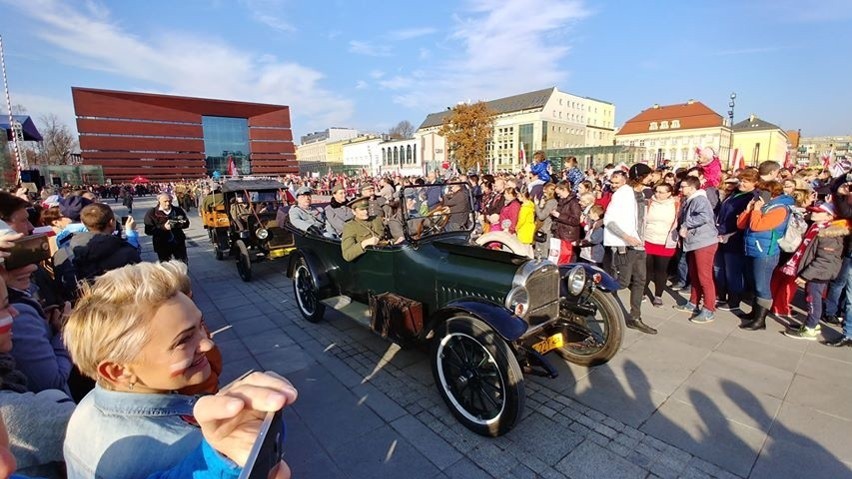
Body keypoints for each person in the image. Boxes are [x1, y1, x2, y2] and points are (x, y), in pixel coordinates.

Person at [62, 261, 298, 479]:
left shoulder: (90, 406)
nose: (207, 343)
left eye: (200, 326)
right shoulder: (181, 449)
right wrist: (250, 438)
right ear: (117, 371)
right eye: (183, 340)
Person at [0, 271, 75, 478]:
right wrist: (64, 335)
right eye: (4, 306)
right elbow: (54, 380)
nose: (14, 313)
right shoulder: (16, 409)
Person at [604, 164, 657, 335]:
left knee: (640, 280)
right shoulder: (622, 194)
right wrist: (626, 237)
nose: (652, 178)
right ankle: (598, 296)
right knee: (623, 282)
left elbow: (639, 220)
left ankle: (635, 317)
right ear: (640, 176)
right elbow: (609, 220)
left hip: (639, 245)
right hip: (625, 244)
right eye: (649, 175)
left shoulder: (641, 194)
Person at [782, 202, 848, 340]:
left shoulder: (829, 234)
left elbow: (824, 261)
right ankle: (811, 323)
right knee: (810, 297)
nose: (814, 213)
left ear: (829, 216)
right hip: (814, 271)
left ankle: (810, 329)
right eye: (814, 210)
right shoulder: (817, 228)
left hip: (818, 273)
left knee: (813, 299)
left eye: (818, 212)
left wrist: (806, 276)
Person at [737, 180, 795, 331]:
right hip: (752, 248)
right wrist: (749, 209)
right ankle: (754, 313)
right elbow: (741, 224)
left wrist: (756, 210)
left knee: (762, 285)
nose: (757, 194)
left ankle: (760, 320)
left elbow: (757, 226)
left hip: (766, 251)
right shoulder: (762, 205)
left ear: (771, 193)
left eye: (761, 192)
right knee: (755, 283)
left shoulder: (780, 208)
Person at [52, 203, 141, 297]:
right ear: (111, 222)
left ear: (82, 222)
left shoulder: (61, 253)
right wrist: (131, 233)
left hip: (81, 305)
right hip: (117, 303)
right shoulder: (125, 251)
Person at [673, 176, 719, 323]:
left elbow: (705, 216)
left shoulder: (700, 200)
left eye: (683, 186)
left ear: (692, 188)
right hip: (694, 242)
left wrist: (686, 224)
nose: (680, 189)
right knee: (694, 274)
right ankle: (693, 302)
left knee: (704, 277)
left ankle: (709, 309)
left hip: (704, 242)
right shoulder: (690, 200)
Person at [714, 169, 759, 311]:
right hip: (720, 236)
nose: (742, 183)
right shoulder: (734, 193)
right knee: (719, 269)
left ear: (755, 183)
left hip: (734, 239)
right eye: (741, 180)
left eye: (746, 181)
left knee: (733, 272)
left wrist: (726, 232)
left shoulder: (751, 198)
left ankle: (734, 301)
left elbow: (742, 221)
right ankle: (722, 295)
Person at [643, 182, 679, 307]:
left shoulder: (675, 204)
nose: (657, 194)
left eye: (661, 192)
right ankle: (642, 291)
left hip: (665, 242)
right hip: (648, 239)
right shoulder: (649, 202)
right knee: (646, 269)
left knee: (661, 270)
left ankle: (658, 295)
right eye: (656, 191)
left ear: (669, 193)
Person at [144, 193, 189, 263]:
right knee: (165, 267)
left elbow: (186, 223)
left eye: (170, 201)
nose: (168, 203)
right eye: (165, 201)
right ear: (159, 201)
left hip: (178, 243)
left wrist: (176, 223)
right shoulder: (152, 212)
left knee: (183, 264)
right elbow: (148, 230)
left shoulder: (177, 210)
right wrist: (163, 227)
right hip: (162, 244)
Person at [341, 196, 386, 262]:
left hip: (385, 255)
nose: (365, 212)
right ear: (354, 211)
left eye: (367, 209)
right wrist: (364, 244)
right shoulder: (350, 226)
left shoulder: (377, 219)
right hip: (369, 261)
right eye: (362, 210)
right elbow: (347, 255)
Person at [550, 182, 581, 265]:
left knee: (566, 259)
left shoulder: (574, 202)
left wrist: (559, 215)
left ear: (564, 190)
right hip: (560, 233)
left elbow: (576, 220)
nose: (558, 196)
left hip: (568, 235)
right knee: (558, 258)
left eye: (559, 193)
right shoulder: (563, 200)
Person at [534, 184, 558, 259]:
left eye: (545, 192)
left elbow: (541, 216)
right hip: (542, 230)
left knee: (541, 255)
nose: (544, 194)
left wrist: (536, 205)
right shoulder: (547, 201)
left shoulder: (551, 202)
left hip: (545, 232)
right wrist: (541, 205)